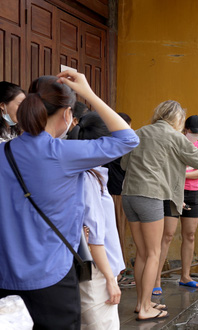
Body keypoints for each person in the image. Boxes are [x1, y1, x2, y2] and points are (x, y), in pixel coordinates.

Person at [0, 71, 138, 328]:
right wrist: (89, 93)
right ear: (67, 115)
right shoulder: (63, 153)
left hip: (6, 273)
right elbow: (128, 138)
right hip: (52, 276)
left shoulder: (3, 151)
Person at [121, 100, 198, 322]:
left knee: (143, 253)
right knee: (153, 253)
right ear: (177, 119)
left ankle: (141, 303)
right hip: (151, 196)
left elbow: (125, 164)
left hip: (129, 195)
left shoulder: (139, 132)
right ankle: (146, 307)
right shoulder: (175, 137)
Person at [74, 112, 125, 329]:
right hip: (96, 273)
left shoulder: (94, 175)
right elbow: (95, 239)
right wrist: (110, 281)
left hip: (99, 270)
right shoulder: (88, 179)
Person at [155, 115, 198, 295]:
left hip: (193, 193)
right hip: (173, 191)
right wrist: (185, 174)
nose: (197, 136)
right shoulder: (175, 143)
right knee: (167, 235)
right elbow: (167, 170)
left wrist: (182, 173)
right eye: (194, 132)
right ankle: (156, 279)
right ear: (186, 130)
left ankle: (186, 276)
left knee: (190, 235)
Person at [103, 112, 132, 274]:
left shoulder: (109, 143)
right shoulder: (120, 144)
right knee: (117, 232)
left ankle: (119, 269)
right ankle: (119, 271)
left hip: (114, 191)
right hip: (117, 192)